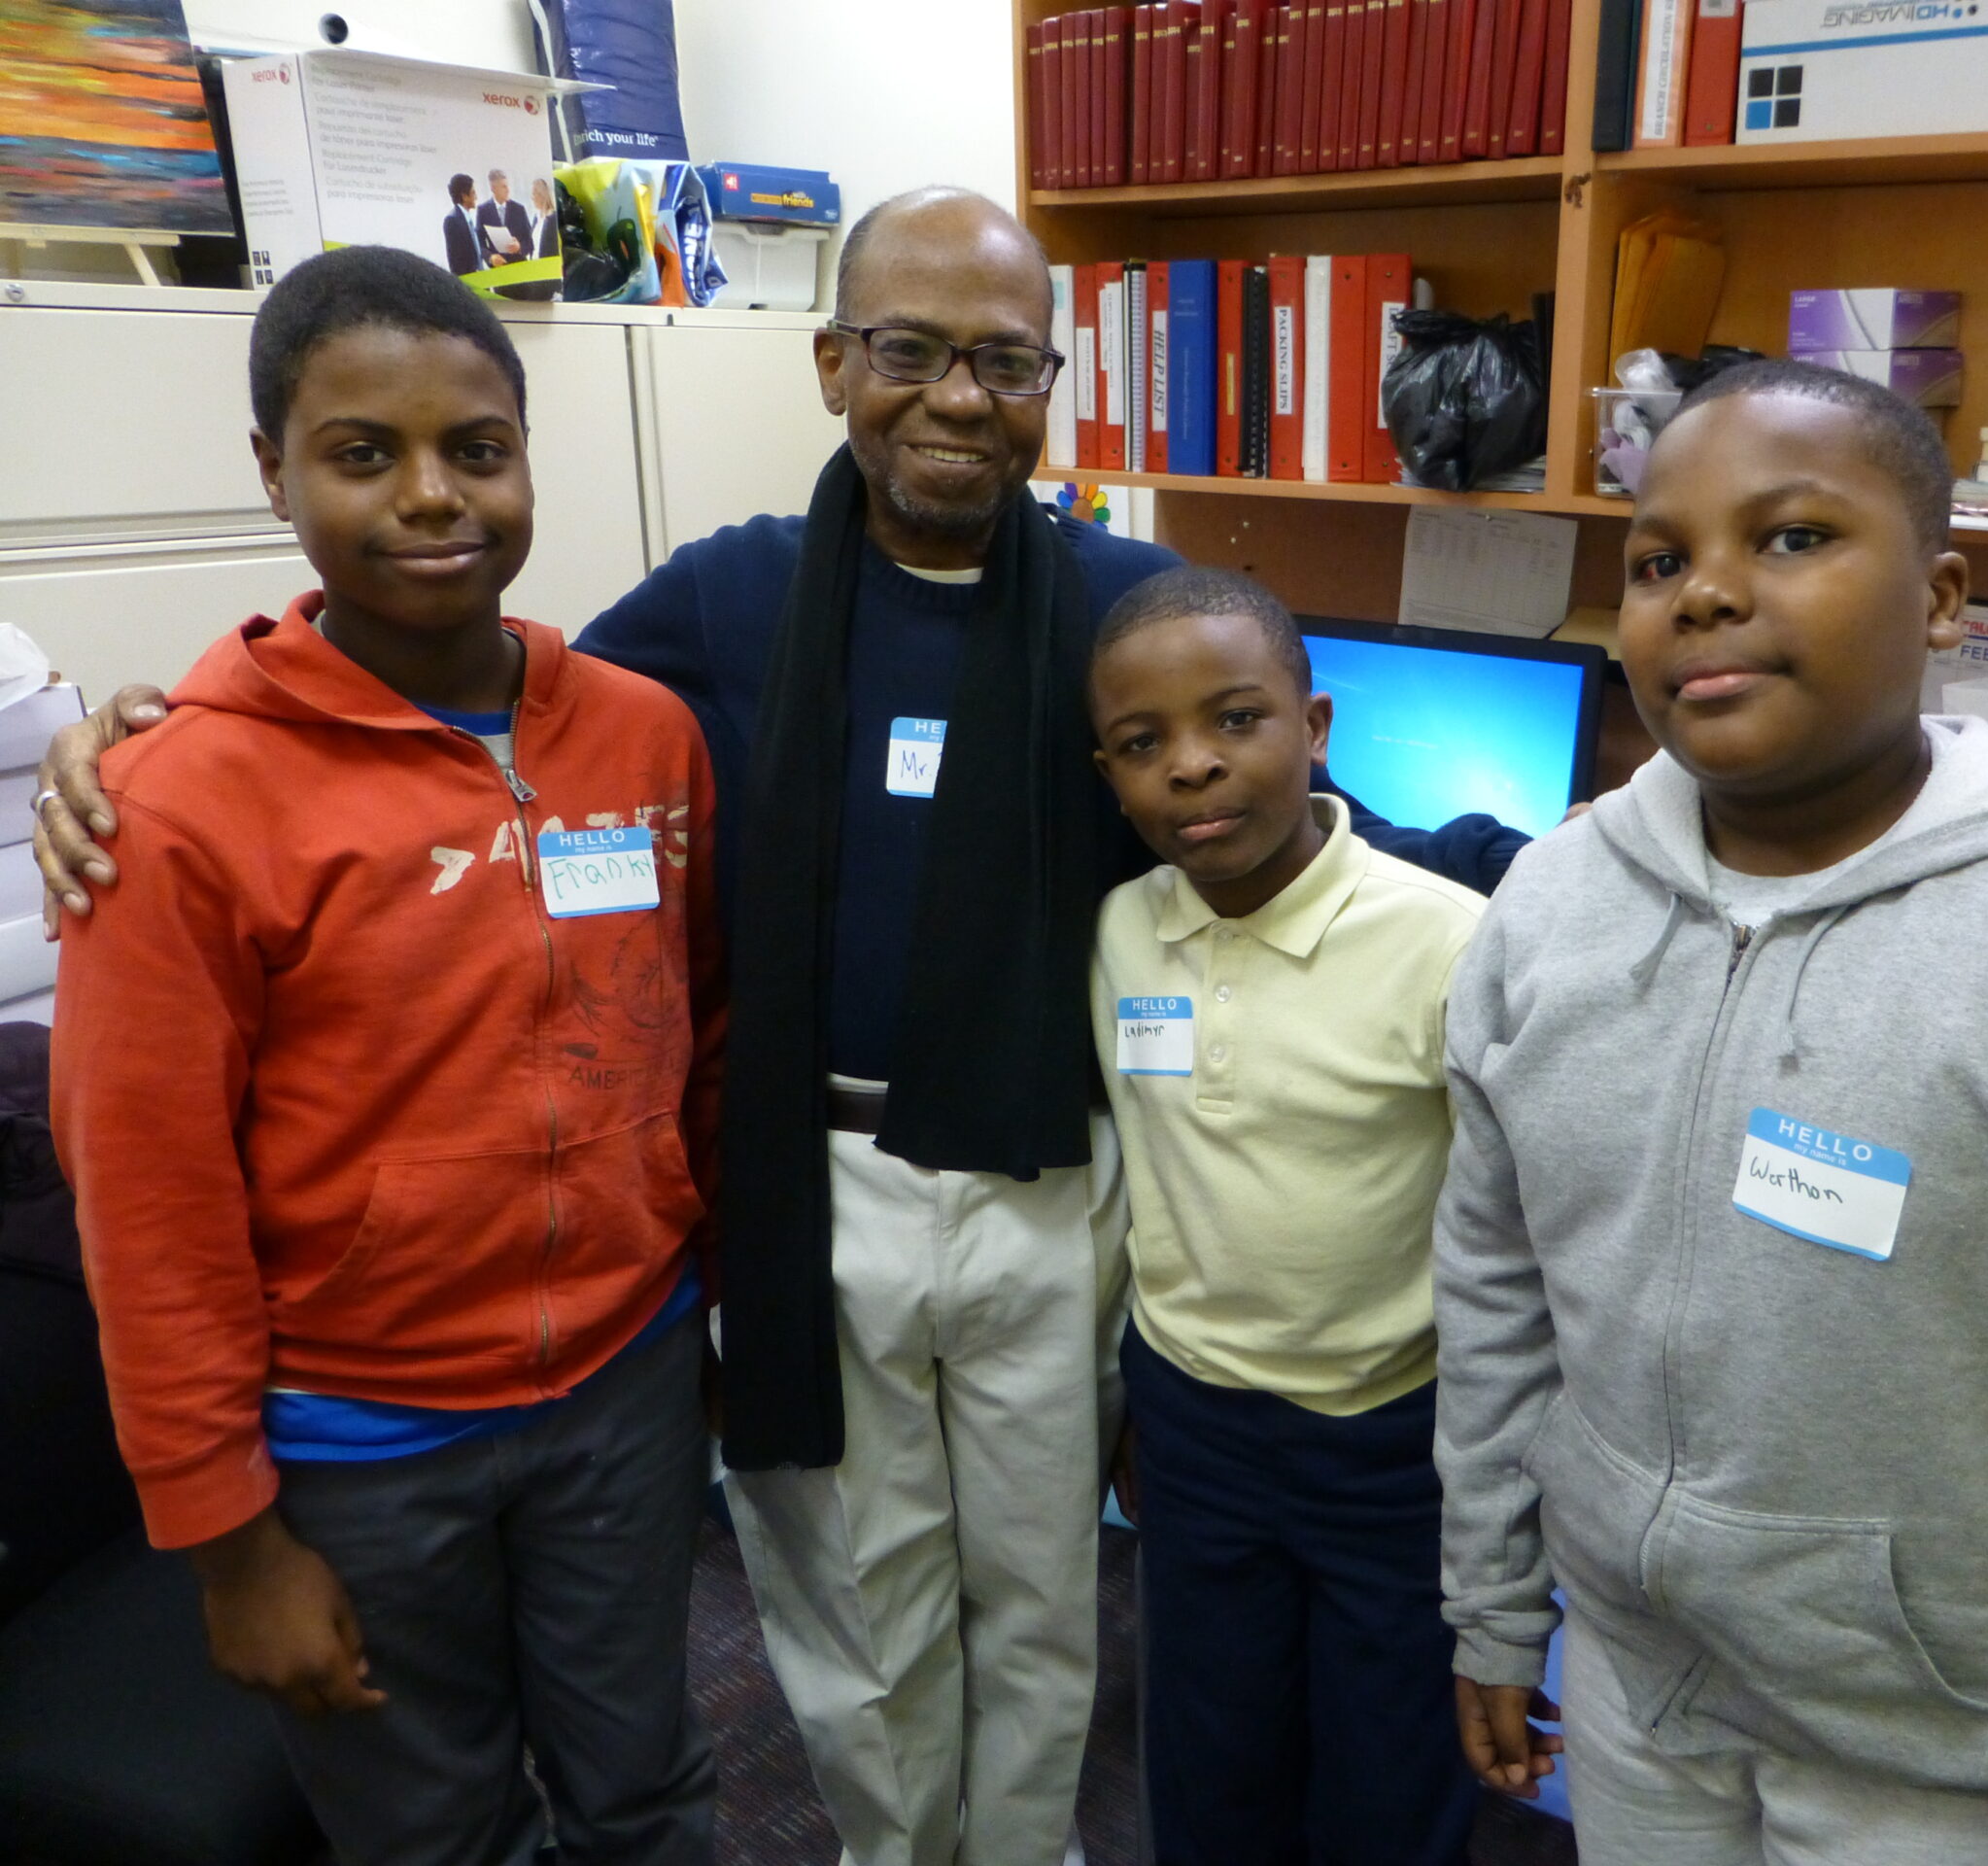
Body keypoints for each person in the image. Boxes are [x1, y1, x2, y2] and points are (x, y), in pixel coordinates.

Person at [29, 186, 1523, 1866]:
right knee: (862, 1616)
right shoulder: (731, 600)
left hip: (1046, 1179)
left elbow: (1293, 813)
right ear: (832, 365)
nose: (957, 396)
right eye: (909, 350)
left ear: (1050, 382)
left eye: (1004, 360)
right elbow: (462, 705)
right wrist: (156, 729)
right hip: (810, 1189)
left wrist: (1582, 869)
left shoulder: (1127, 609)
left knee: (1044, 1603)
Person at [1434, 360, 1988, 1865]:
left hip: (1953, 1769)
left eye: (1793, 537)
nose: (1708, 594)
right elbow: (1495, 1289)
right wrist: (1493, 1600)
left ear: (1942, 599)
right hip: (1642, 1696)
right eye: (1657, 562)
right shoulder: (1551, 903)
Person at [49, 245, 724, 1865]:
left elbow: (689, 1036)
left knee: (647, 1792)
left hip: (625, 1384)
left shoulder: (643, 734)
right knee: (435, 1832)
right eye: (364, 453)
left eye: (477, 449)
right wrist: (226, 1540)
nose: (432, 496)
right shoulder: (180, 802)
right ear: (272, 470)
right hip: (360, 1442)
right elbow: (146, 1199)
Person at [1086, 567, 1484, 1865]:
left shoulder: (1450, 944)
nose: (1192, 766)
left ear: (1314, 729)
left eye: (1235, 720)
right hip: (1195, 1429)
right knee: (1211, 1768)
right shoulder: (1119, 934)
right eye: (1143, 743)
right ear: (1109, 777)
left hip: (1392, 1440)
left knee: (1390, 1780)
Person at [477, 168, 529, 268]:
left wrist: (519, 247)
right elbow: (479, 243)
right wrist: (490, 257)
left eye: (507, 186)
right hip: (497, 268)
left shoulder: (519, 209)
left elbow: (529, 242)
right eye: (504, 186)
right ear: (493, 188)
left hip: (520, 266)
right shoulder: (483, 210)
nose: (508, 190)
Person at [442, 173, 483, 275]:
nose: (476, 197)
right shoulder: (452, 220)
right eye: (473, 193)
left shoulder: (467, 218)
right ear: (464, 196)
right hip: (468, 280)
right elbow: (455, 260)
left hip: (480, 277)